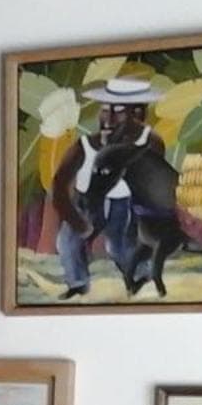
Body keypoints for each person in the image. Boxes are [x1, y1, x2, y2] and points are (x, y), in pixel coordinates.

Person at [50, 76, 165, 298]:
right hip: (86, 202)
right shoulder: (84, 145)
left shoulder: (150, 143)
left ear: (138, 115)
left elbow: (152, 182)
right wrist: (75, 218)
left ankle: (142, 277)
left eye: (118, 111)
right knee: (68, 242)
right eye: (104, 110)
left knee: (121, 247)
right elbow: (59, 184)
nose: (108, 119)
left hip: (125, 204)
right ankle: (78, 283)